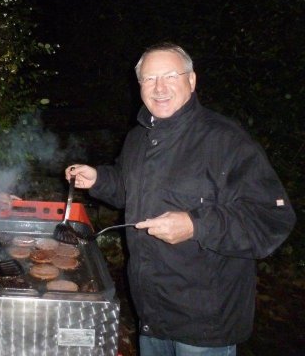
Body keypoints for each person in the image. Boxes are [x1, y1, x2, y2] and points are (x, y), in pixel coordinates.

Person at [66, 43, 295, 356]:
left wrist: (195, 226)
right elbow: (127, 187)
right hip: (152, 315)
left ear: (192, 81)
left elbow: (270, 218)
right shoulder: (138, 137)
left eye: (170, 76)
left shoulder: (225, 140)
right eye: (149, 79)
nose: (159, 87)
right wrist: (99, 179)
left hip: (204, 326)